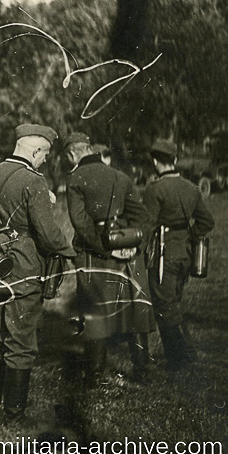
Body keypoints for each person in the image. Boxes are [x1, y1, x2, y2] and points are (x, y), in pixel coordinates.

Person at [0, 124, 76, 425]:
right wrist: (69, 252)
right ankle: (13, 415)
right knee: (21, 339)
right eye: (45, 154)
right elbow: (47, 233)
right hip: (23, 264)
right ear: (34, 151)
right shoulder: (33, 181)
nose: (45, 160)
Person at [63, 132, 154, 384]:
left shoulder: (75, 179)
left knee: (95, 312)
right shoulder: (121, 176)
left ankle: (95, 375)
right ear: (90, 148)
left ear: (72, 154)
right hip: (127, 254)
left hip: (95, 255)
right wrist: (132, 245)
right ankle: (143, 372)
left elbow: (80, 223)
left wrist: (106, 248)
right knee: (136, 308)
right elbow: (143, 218)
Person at [142, 139, 215, 370]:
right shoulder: (192, 188)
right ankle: (184, 354)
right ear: (174, 160)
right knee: (173, 302)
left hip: (163, 255)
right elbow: (207, 221)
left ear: (155, 162)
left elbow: (147, 226)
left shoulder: (154, 190)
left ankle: (180, 358)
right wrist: (189, 235)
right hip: (185, 254)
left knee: (165, 307)